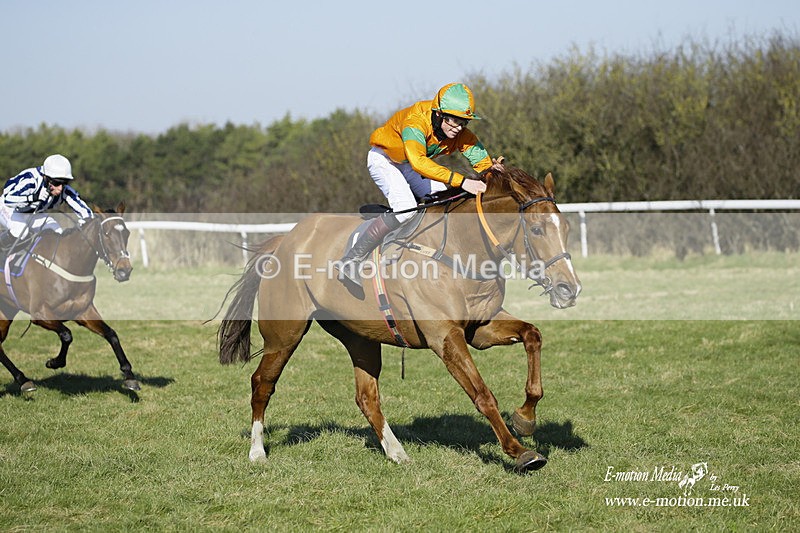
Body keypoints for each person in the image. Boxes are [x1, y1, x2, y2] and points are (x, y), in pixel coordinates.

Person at [338, 82, 503, 286]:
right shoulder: (416, 121)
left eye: (464, 122)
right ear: (439, 114)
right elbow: (419, 163)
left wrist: (495, 173)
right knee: (405, 208)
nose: (458, 128)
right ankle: (352, 259)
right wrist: (462, 181)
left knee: (444, 202)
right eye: (454, 121)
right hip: (385, 159)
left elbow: (483, 164)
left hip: (407, 164)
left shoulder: (461, 133)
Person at [0, 154, 93, 246]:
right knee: (21, 231)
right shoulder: (31, 181)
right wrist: (33, 197)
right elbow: (8, 200)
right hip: (9, 209)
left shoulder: (64, 190)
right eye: (57, 183)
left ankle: (31, 255)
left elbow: (83, 210)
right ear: (46, 178)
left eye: (65, 183)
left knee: (57, 233)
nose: (60, 189)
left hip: (32, 214)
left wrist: (88, 222)